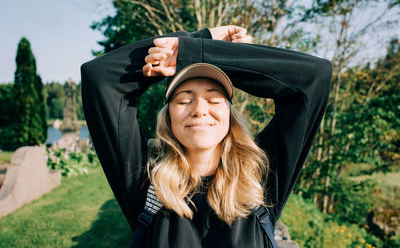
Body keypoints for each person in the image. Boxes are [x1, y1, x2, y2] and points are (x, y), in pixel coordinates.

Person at [81, 25, 332, 247]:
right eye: (184, 100)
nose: (200, 109)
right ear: (168, 118)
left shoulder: (260, 178)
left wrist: (204, 51)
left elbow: (314, 76)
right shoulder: (146, 182)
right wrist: (200, 40)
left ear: (230, 117)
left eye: (214, 99)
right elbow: (99, 77)